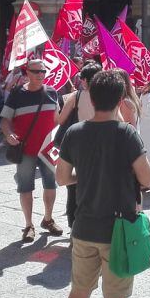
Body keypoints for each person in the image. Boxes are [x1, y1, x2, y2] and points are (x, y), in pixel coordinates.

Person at [56, 69, 150, 298]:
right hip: (119, 231)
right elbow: (147, 178)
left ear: (91, 96)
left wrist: (84, 179)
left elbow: (62, 178)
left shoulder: (75, 132)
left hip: (84, 227)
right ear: (121, 98)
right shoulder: (127, 134)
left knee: (78, 293)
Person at [0, 59, 61, 243]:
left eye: (43, 71)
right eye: (36, 72)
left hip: (49, 149)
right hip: (25, 149)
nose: (41, 75)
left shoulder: (52, 92)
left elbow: (58, 119)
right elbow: (4, 120)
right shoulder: (17, 94)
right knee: (25, 186)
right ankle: (28, 225)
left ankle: (48, 219)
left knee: (51, 185)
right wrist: (8, 134)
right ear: (27, 72)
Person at [57, 61, 101, 228]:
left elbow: (60, 120)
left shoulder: (74, 96)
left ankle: (74, 227)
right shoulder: (108, 96)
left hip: (79, 145)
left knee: (73, 187)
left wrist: (55, 105)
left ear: (83, 80)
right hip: (102, 146)